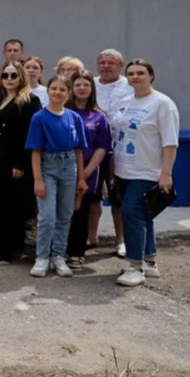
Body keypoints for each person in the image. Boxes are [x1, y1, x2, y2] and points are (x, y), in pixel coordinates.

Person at [109, 59, 179, 288]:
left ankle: (135, 267)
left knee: (131, 213)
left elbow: (170, 142)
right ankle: (149, 261)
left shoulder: (162, 104)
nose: (135, 77)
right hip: (122, 170)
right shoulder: (125, 102)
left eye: (140, 73)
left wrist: (166, 174)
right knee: (143, 215)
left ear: (151, 75)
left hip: (147, 171)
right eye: (131, 73)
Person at [0, 62, 41, 267]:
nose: (9, 79)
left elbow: (27, 135)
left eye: (14, 75)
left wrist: (20, 164)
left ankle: (0, 253)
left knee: (7, 208)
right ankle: (13, 248)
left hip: (13, 164)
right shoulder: (0, 99)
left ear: (21, 77)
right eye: (6, 75)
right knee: (1, 206)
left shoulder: (29, 101)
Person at [26, 76, 88, 278]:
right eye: (54, 88)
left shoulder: (73, 117)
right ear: (48, 90)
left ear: (68, 93)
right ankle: (42, 257)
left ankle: (58, 255)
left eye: (62, 89)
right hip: (48, 166)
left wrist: (80, 178)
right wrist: (38, 179)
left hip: (69, 166)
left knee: (65, 214)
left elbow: (79, 150)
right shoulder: (40, 118)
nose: (57, 93)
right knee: (47, 216)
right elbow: (35, 150)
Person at [65, 71, 111, 269]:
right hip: (61, 171)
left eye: (86, 85)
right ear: (71, 89)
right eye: (77, 85)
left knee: (80, 212)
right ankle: (57, 250)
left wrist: (86, 172)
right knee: (60, 212)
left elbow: (102, 147)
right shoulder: (61, 112)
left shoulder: (100, 117)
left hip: (88, 173)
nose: (82, 88)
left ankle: (76, 253)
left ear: (92, 89)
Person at [93, 48, 133, 256]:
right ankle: (91, 237)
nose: (106, 66)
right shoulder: (90, 83)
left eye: (111, 62)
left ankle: (121, 241)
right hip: (93, 149)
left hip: (120, 150)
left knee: (118, 197)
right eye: (102, 62)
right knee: (91, 196)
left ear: (120, 65)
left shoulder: (129, 86)